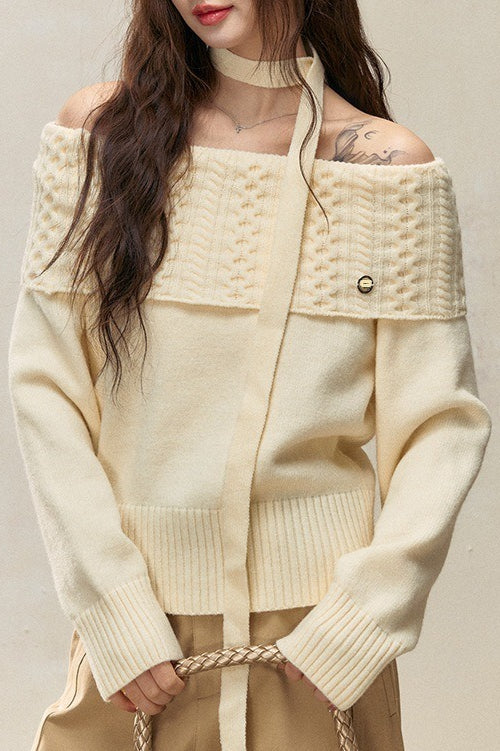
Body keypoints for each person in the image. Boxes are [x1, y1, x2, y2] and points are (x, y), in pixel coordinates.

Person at [8, 1, 491, 750]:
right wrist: (112, 607)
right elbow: (47, 386)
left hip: (313, 653)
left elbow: (441, 426)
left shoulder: (386, 169)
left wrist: (363, 618)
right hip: (135, 644)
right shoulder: (101, 134)